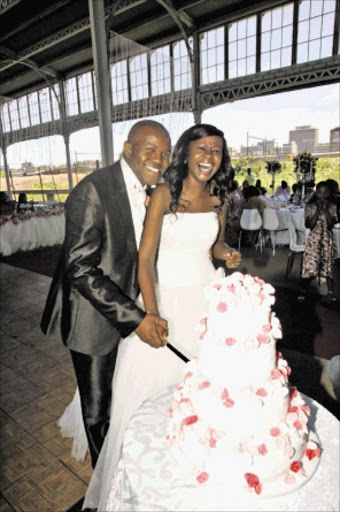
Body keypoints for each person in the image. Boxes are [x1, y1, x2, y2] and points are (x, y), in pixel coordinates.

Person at [79, 123, 242, 510]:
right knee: (152, 395)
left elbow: (213, 246)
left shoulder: (219, 200)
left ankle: (194, 464)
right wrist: (152, 312)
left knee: (207, 393)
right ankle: (144, 477)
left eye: (216, 151)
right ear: (187, 153)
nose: (209, 157)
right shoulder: (164, 194)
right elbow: (146, 258)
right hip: (165, 298)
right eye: (202, 148)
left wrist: (227, 254)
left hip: (205, 299)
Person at [40, 120, 172, 469]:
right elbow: (80, 268)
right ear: (127, 149)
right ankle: (108, 486)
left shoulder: (153, 190)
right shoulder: (92, 190)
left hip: (130, 308)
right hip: (92, 317)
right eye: (150, 149)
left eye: (165, 153)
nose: (159, 158)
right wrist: (136, 318)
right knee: (98, 411)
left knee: (124, 394)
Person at [297, 181, 338, 305]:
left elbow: (331, 225)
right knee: (310, 265)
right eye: (319, 192)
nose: (322, 195)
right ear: (316, 193)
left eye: (325, 192)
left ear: (329, 194)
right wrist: (318, 210)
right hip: (314, 239)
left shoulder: (333, 207)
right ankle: (303, 290)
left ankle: (330, 293)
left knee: (327, 266)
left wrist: (325, 211)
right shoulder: (310, 206)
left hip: (327, 239)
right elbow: (309, 224)